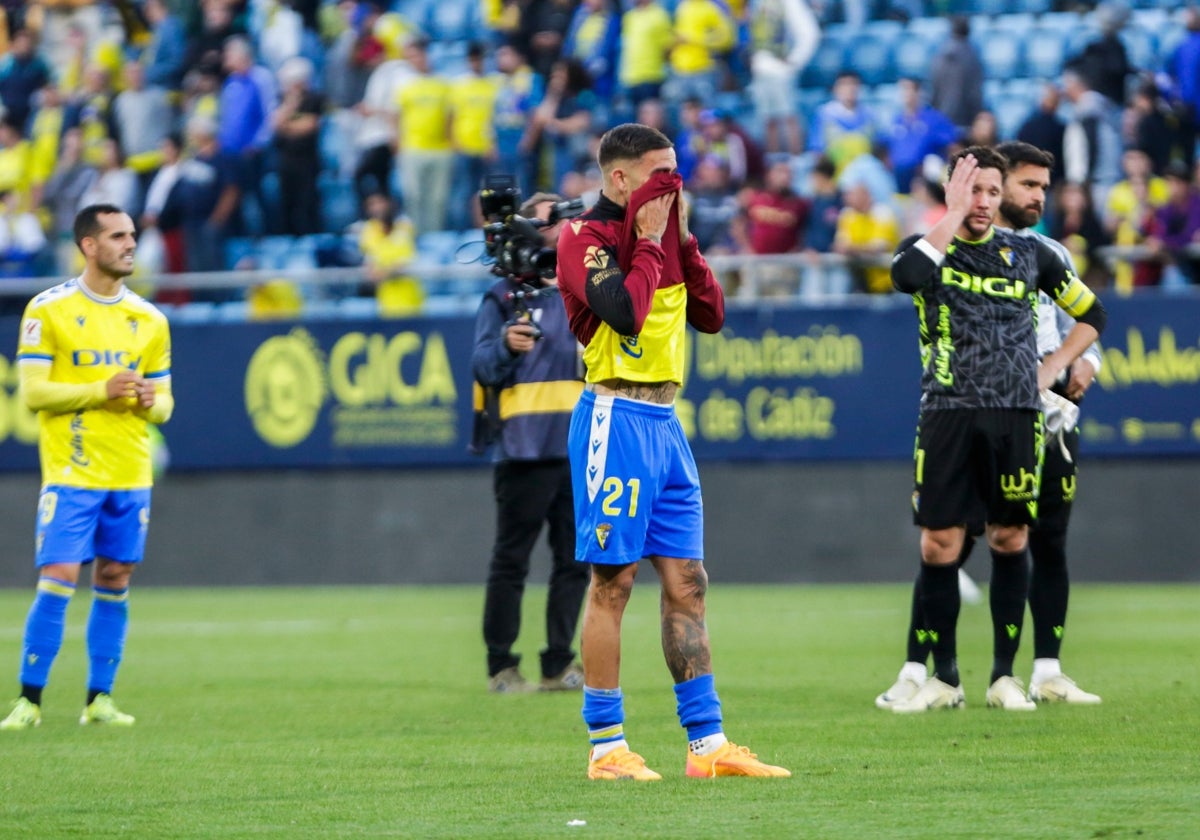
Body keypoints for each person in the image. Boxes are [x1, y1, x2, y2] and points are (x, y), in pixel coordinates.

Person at [556, 123, 789, 779]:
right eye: (662, 173)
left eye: (677, 170)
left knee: (688, 583)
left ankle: (707, 747)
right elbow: (624, 313)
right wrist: (655, 243)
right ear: (621, 178)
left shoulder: (666, 233)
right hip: (615, 413)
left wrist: (681, 240)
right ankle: (607, 748)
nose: (675, 184)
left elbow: (710, 314)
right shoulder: (584, 238)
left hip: (665, 424)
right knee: (614, 582)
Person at [876, 142, 1105, 712]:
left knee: (1014, 538)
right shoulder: (926, 250)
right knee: (940, 544)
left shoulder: (1032, 255)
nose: (984, 202)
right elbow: (904, 278)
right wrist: (951, 213)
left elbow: (1092, 313)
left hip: (1019, 418)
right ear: (955, 190)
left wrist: (1055, 367)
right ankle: (940, 676)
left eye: (991, 192)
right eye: (973, 190)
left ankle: (1006, 676)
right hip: (947, 413)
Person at [1, 203, 174, 731]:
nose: (130, 244)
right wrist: (102, 389)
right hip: (73, 472)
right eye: (118, 236)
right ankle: (29, 701)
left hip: (130, 472)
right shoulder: (47, 310)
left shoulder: (150, 319)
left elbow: (166, 404)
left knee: (115, 576)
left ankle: (100, 699)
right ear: (88, 245)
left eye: (132, 236)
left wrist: (148, 399)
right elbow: (33, 394)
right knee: (57, 575)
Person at [471, 192, 589, 694]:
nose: (554, 229)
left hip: (579, 446)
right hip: (522, 449)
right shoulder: (502, 296)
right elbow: (480, 365)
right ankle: (502, 665)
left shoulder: (584, 290)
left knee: (575, 562)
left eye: (559, 220)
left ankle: (558, 664)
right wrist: (504, 345)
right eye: (543, 221)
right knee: (512, 560)